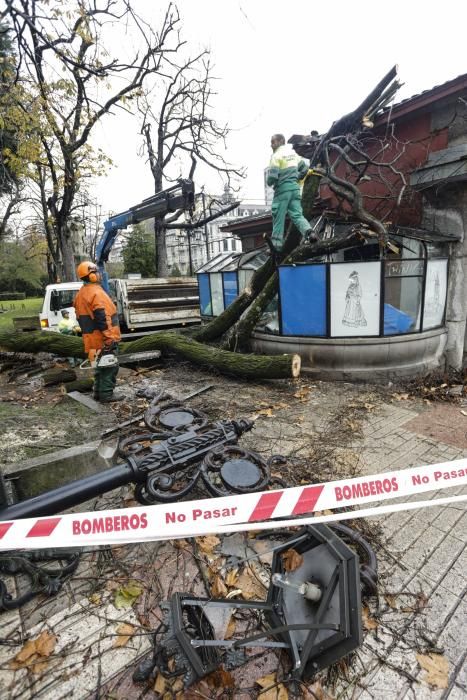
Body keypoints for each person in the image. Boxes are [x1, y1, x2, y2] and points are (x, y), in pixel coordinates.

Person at [73, 261, 123, 403]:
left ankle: (98, 392)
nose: (100, 274)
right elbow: (103, 318)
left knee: (99, 368)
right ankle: (106, 394)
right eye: (97, 272)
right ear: (92, 276)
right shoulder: (96, 293)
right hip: (102, 339)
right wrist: (110, 338)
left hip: (90, 340)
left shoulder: (80, 294)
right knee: (109, 367)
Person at [266, 133, 318, 253]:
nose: (271, 145)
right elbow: (304, 169)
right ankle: (310, 233)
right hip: (295, 190)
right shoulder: (293, 154)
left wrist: (270, 182)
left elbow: (272, 177)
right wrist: (296, 178)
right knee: (297, 215)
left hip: (282, 191)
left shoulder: (276, 156)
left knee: (278, 216)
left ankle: (276, 246)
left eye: (272, 142)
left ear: (279, 142)